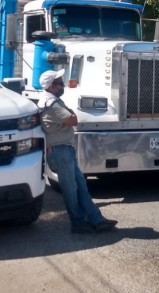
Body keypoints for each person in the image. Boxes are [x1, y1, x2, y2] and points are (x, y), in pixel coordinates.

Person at [38, 69, 117, 234]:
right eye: (60, 83)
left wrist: (69, 114)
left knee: (80, 186)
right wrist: (70, 115)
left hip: (65, 150)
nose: (63, 85)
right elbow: (73, 119)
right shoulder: (52, 104)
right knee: (71, 189)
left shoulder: (55, 101)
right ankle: (78, 222)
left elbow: (71, 117)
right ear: (51, 87)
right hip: (60, 152)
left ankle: (96, 219)